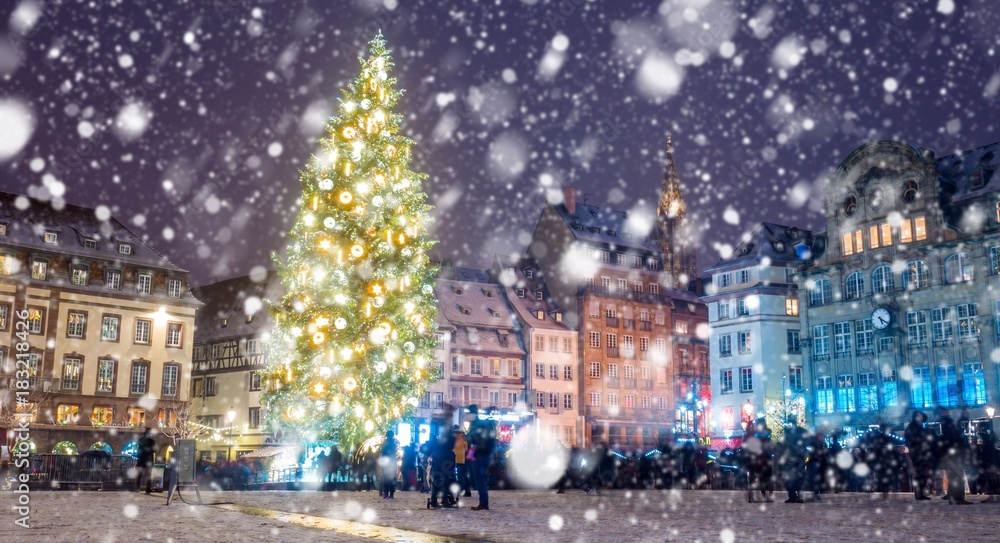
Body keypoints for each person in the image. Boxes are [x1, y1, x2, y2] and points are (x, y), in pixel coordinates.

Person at [466, 405, 496, 511]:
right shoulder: (489, 425)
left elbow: (470, 437)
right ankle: (484, 502)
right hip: (487, 455)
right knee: (481, 480)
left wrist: (469, 439)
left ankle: (483, 503)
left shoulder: (477, 424)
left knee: (479, 480)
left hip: (479, 455)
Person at [939, 410, 972, 504]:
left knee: (953, 476)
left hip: (951, 456)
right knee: (957, 476)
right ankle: (957, 498)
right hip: (955, 456)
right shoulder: (954, 434)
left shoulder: (946, 435)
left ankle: (954, 497)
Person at [905, 411, 934, 500]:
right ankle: (919, 493)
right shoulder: (913, 427)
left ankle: (920, 492)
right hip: (918, 452)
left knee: (922, 473)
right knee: (920, 473)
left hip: (920, 452)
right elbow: (911, 440)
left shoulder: (917, 427)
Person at [781, 418, 809, 503]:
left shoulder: (788, 433)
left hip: (793, 458)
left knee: (791, 478)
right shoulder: (801, 431)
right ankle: (798, 496)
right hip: (798, 457)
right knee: (798, 478)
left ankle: (793, 496)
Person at [429, 428, 457, 508]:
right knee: (445, 480)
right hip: (446, 458)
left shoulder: (440, 438)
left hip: (437, 456)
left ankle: (433, 500)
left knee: (435, 479)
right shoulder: (451, 439)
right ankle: (444, 500)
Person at [135, 428, 157, 494]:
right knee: (148, 475)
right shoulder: (151, 441)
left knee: (139, 475)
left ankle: (137, 488)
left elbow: (138, 450)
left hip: (141, 459)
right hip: (148, 459)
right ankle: (148, 488)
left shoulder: (140, 440)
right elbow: (154, 450)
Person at [452, 425, 471, 497]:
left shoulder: (453, 438)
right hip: (462, 459)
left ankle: (460, 490)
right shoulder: (464, 438)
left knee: (456, 475)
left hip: (454, 458)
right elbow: (467, 448)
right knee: (463, 475)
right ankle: (465, 490)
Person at [380, 430, 399, 499]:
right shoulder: (394, 443)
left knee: (386, 479)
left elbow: (382, 453)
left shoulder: (385, 443)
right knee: (392, 479)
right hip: (392, 462)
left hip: (386, 463)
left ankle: (386, 493)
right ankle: (391, 494)